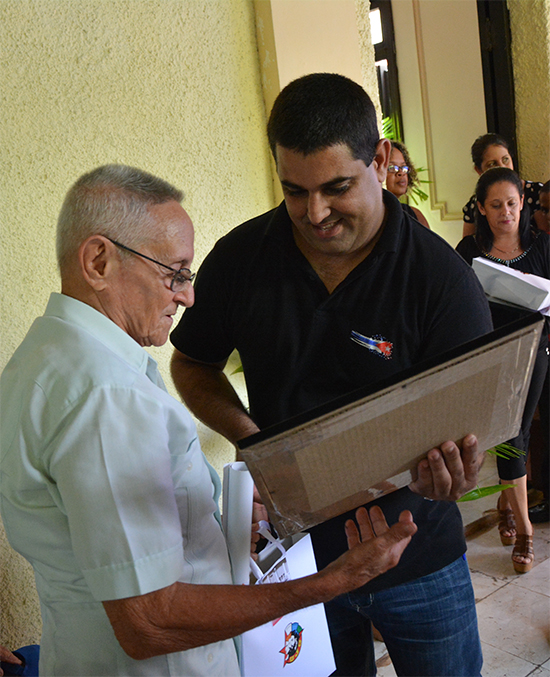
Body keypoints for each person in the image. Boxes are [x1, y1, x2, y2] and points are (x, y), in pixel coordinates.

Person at [0, 164, 420, 677]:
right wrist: (332, 582)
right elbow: (148, 623)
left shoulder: (45, 357)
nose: (187, 295)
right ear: (98, 261)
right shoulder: (105, 395)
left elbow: (106, 544)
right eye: (173, 273)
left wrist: (216, 531)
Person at [170, 73, 492, 677]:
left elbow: (469, 427)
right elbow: (191, 363)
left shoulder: (439, 278)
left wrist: (456, 472)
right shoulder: (242, 259)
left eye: (335, 188)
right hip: (297, 565)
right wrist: (253, 437)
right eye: (294, 190)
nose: (314, 213)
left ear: (380, 159)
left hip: (417, 556)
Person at [456, 166, 550, 572]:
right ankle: (514, 514)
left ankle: (522, 523)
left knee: (517, 433)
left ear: (522, 204)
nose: (505, 213)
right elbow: (455, 309)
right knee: (504, 434)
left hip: (536, 354)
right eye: (495, 205)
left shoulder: (543, 245)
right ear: (481, 207)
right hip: (491, 357)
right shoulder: (467, 252)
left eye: (511, 204)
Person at [462, 133, 543, 237]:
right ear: (479, 170)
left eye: (505, 159)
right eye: (492, 164)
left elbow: (545, 240)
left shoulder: (537, 193)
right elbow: (467, 249)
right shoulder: (475, 204)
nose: (502, 167)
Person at [385, 140, 430, 228]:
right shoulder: (368, 217)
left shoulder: (416, 215)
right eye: (392, 167)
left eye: (403, 167)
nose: (401, 172)